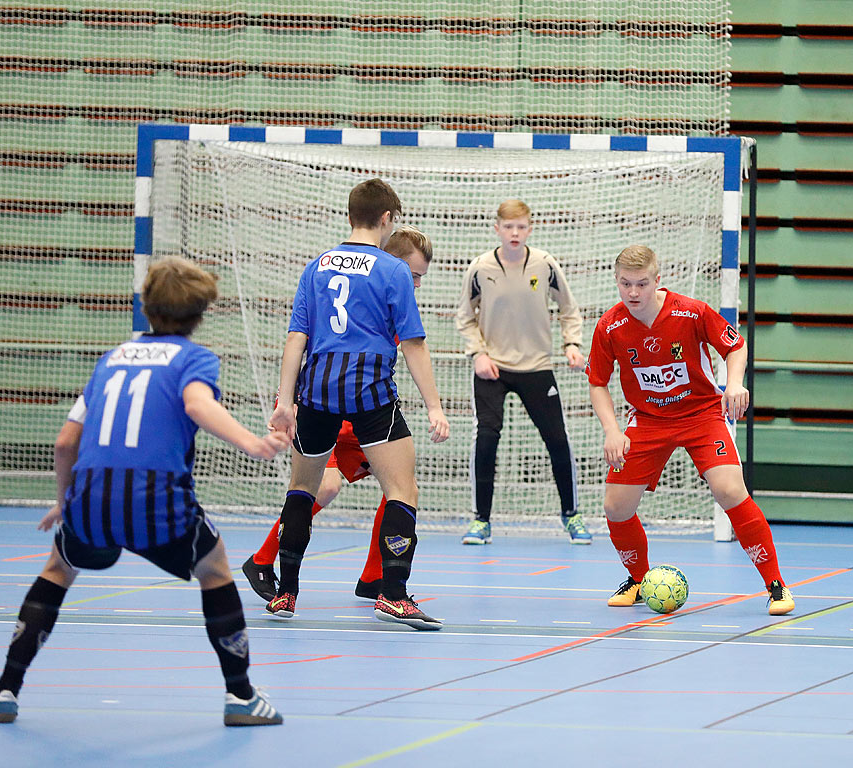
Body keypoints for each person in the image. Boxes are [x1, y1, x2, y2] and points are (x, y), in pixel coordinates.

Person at [0, 257, 291, 727]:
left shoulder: (111, 360)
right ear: (199, 314)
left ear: (146, 307)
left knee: (58, 568)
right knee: (215, 568)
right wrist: (252, 442)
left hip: (89, 495)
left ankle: (5, 689)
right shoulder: (195, 358)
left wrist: (66, 502)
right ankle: (241, 695)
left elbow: (66, 442)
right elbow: (195, 402)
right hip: (157, 499)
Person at [266, 178, 450, 630]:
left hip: (316, 390)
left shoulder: (317, 266)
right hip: (368, 390)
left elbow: (297, 338)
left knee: (302, 489)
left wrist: (286, 401)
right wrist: (434, 406)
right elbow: (413, 344)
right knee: (401, 491)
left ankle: (286, 593)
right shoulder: (391, 270)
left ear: (351, 216)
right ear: (387, 219)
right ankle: (393, 593)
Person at [587, 245, 794, 617]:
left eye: (641, 284)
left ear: (658, 281)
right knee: (615, 507)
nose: (633, 293)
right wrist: (612, 430)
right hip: (647, 420)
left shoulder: (692, 311)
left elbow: (736, 347)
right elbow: (597, 382)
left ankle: (775, 585)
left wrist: (733, 384)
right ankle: (638, 580)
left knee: (729, 489)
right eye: (625, 284)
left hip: (700, 415)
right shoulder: (609, 326)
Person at [241, 227, 434, 603]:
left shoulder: (388, 299)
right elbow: (303, 341)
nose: (416, 285)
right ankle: (264, 561)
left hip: (355, 412)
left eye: (420, 279)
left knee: (397, 484)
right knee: (338, 486)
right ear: (392, 265)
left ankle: (372, 577)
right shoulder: (363, 294)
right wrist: (286, 401)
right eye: (413, 276)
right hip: (334, 408)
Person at [456, 200, 591, 546]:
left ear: (530, 228)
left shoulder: (545, 264)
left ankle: (571, 515)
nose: (515, 233)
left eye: (521, 227)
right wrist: (478, 354)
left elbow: (568, 309)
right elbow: (465, 316)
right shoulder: (480, 268)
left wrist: (571, 344)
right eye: (508, 227)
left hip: (537, 366)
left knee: (557, 440)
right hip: (493, 368)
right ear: (497, 228)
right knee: (486, 439)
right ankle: (480, 521)